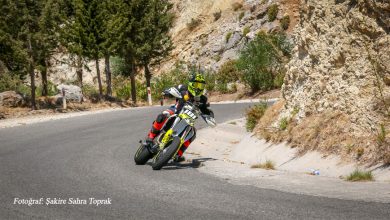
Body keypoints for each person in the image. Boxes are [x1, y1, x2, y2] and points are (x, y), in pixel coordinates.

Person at [146, 73, 213, 162]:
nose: (198, 87)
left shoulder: (203, 99)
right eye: (196, 84)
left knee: (193, 134)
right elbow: (172, 90)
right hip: (175, 111)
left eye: (201, 85)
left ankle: (178, 154)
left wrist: (209, 115)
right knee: (163, 115)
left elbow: (206, 110)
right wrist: (167, 92)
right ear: (191, 84)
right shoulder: (183, 88)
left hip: (188, 119)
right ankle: (150, 137)